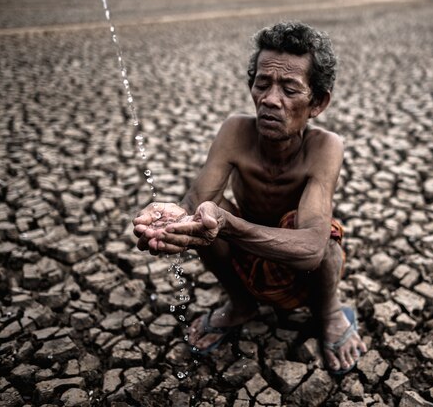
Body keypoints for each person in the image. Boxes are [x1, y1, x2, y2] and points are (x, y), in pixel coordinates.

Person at [133, 21, 367, 374]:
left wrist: (229, 226)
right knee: (204, 213)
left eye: (289, 89)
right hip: (245, 257)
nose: (271, 100)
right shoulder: (235, 131)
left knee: (328, 238)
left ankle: (329, 311)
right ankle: (241, 304)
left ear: (317, 102)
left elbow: (311, 249)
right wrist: (173, 218)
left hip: (298, 271)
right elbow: (197, 200)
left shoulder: (325, 147)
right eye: (262, 84)